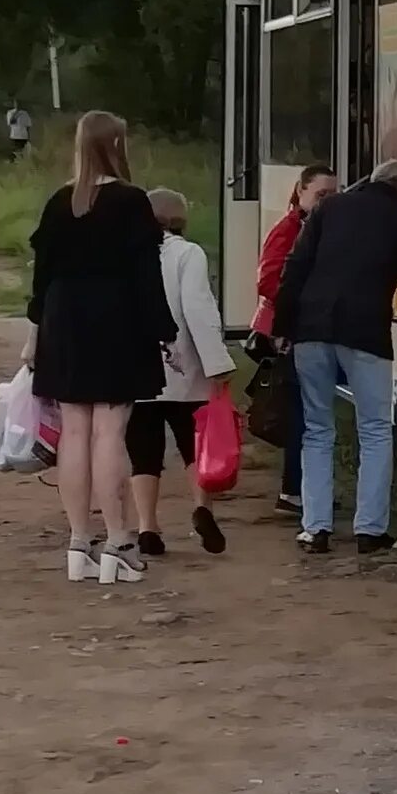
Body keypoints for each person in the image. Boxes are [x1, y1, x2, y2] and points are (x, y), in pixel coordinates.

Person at [273, 159, 397, 555]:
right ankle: (370, 530)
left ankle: (315, 528)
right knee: (375, 428)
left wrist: (285, 327)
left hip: (311, 328)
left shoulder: (329, 208)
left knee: (317, 428)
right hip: (365, 334)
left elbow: (296, 267)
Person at [25, 110, 177, 587]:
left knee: (74, 432)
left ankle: (77, 542)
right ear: (116, 144)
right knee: (110, 433)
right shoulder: (132, 202)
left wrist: (35, 331)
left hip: (63, 321)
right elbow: (146, 277)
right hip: (117, 322)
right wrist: (164, 330)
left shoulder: (58, 202)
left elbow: (41, 277)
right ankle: (119, 542)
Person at [128, 187, 237, 560]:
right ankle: (202, 506)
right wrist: (218, 363)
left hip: (137, 371)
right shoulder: (187, 254)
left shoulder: (125, 254)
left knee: (144, 452)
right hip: (185, 369)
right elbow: (198, 310)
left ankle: (147, 526)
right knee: (194, 446)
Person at [250, 164, 338, 515]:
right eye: (320, 195)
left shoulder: (316, 229)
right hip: (289, 332)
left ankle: (300, 489)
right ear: (300, 192)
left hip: (304, 329)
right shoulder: (288, 230)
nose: (326, 202)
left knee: (307, 409)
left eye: (333, 195)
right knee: (303, 412)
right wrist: (305, 303)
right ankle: (295, 490)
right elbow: (268, 280)